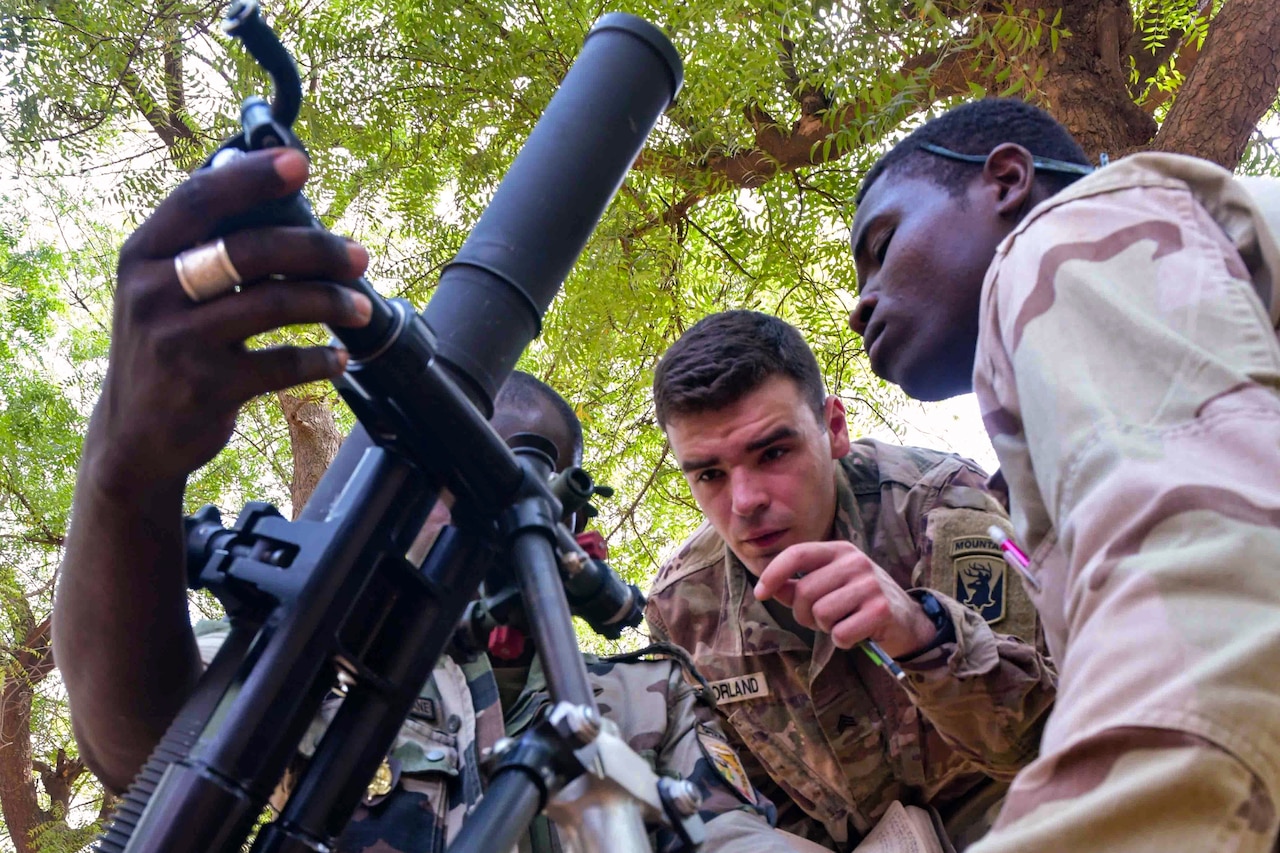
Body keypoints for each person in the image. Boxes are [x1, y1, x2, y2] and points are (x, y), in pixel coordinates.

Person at [51, 148, 803, 853]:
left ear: (572, 528)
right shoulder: (316, 651)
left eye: (510, 472)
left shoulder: (648, 696)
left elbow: (736, 837)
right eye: (431, 482)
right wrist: (126, 480)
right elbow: (142, 745)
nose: (457, 506)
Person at [847, 97, 1280, 851]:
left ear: (1007, 181)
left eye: (882, 245)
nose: (860, 305)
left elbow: (1213, 635)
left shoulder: (1065, 237)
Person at [644, 310, 1057, 851]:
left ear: (834, 428)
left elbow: (1044, 739)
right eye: (709, 474)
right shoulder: (681, 613)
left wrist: (922, 634)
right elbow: (738, 807)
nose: (745, 502)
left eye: (773, 453)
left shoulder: (943, 509)